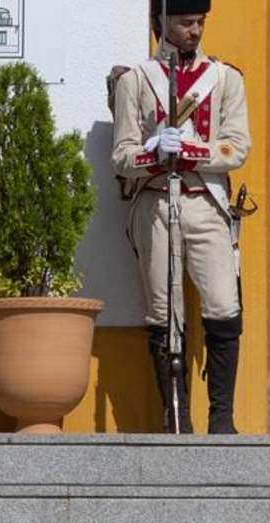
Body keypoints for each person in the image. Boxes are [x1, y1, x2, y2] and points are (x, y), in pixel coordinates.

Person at [111, 0, 250, 434]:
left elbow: (236, 147)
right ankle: (177, 419)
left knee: (224, 306)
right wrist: (151, 152)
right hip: (156, 203)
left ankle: (222, 418)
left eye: (200, 22)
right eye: (186, 22)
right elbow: (121, 156)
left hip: (206, 204)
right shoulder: (135, 81)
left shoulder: (225, 78)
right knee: (163, 313)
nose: (195, 30)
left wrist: (189, 151)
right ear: (162, 22)